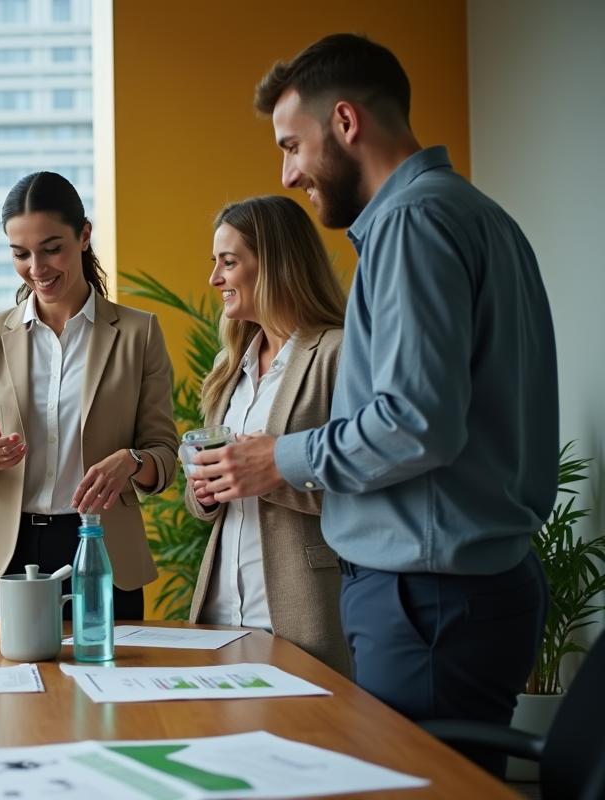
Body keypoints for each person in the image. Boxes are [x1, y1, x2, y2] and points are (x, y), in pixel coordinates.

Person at [194, 34, 557, 776]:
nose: (289, 173)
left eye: (293, 145)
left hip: (428, 605)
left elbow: (415, 422)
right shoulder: (481, 216)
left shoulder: (410, 223)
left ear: (347, 123)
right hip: (460, 595)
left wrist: (277, 457)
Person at [0, 171, 178, 621]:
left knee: (107, 690)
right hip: (7, 559)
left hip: (102, 549)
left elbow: (164, 457)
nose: (37, 268)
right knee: (7, 692)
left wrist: (130, 460)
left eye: (52, 248)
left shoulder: (138, 332)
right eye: (21, 254)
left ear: (84, 235)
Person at [184, 196, 349, 677]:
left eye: (228, 262)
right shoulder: (226, 368)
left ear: (275, 263)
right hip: (219, 617)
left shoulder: (337, 354)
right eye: (215, 263)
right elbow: (205, 505)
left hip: (301, 615)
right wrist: (206, 490)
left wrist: (270, 473)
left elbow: (367, 479)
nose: (215, 279)